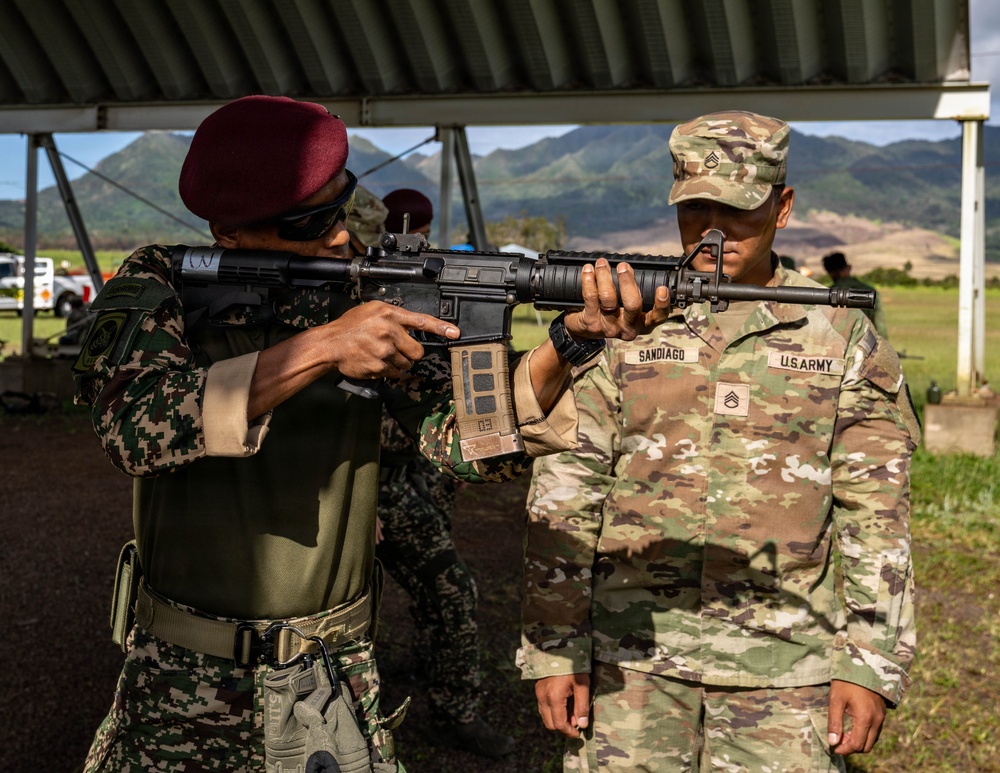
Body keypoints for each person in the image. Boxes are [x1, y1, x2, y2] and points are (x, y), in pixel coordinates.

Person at [72, 94, 671, 772]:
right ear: (229, 231)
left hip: (332, 678)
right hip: (181, 678)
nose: (338, 236)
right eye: (312, 221)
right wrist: (324, 347)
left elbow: (471, 443)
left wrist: (568, 342)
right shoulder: (163, 283)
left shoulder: (360, 294)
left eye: (343, 204)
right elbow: (135, 427)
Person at [518, 111, 920, 772]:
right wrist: (555, 642)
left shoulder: (838, 334)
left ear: (782, 208)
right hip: (633, 659)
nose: (713, 229)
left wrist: (870, 661)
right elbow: (568, 487)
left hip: (786, 666)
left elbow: (876, 513)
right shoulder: (626, 323)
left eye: (737, 209)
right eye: (695, 208)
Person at [369, 188, 514, 758]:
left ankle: (441, 687)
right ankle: (448, 709)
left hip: (410, 473)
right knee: (448, 589)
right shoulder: (344, 297)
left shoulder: (423, 285)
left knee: (442, 589)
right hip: (361, 484)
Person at [822, 251, 889, 337]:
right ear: (849, 267)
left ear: (830, 273)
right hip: (865, 341)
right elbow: (880, 326)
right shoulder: (869, 291)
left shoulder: (825, 295)